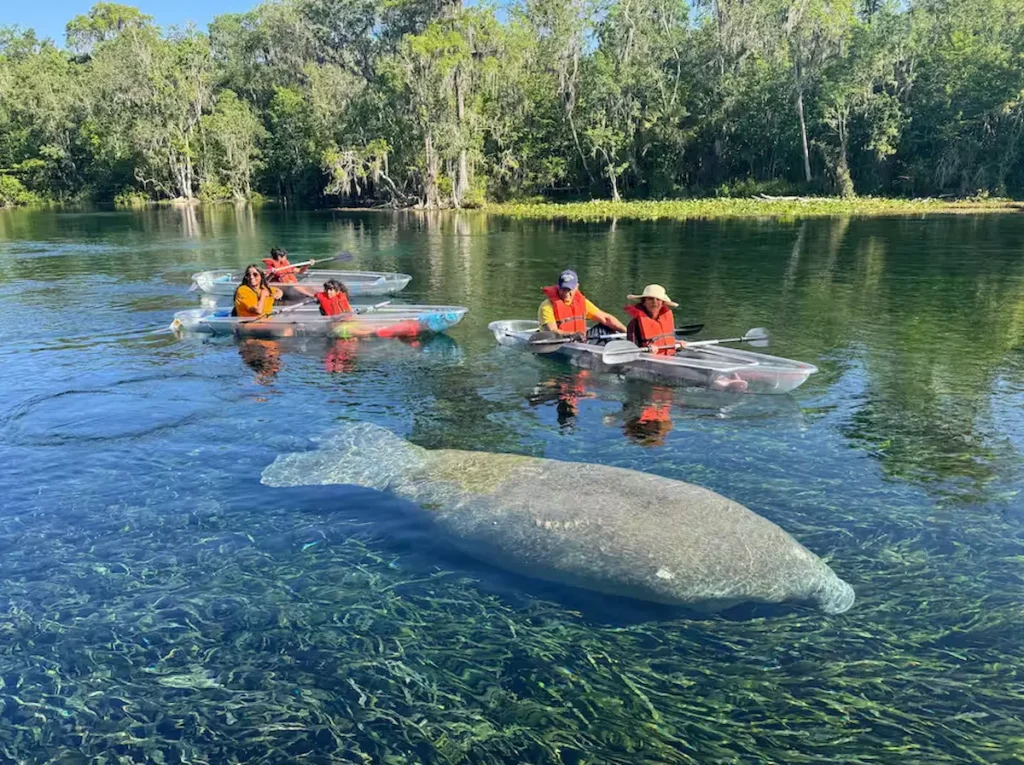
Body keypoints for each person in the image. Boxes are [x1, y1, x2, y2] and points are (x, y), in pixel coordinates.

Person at [538, 269, 626, 340]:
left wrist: (627, 332)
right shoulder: (547, 307)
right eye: (563, 289)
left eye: (569, 290)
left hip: (580, 339)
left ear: (577, 287)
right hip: (560, 341)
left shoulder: (582, 303)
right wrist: (572, 334)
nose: (566, 293)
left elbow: (606, 319)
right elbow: (553, 331)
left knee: (606, 327)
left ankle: (624, 348)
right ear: (558, 287)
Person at [624, 284, 682, 356]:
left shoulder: (666, 319)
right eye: (650, 299)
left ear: (662, 303)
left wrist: (678, 345)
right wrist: (646, 350)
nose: (654, 302)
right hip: (648, 362)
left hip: (669, 358)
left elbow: (667, 339)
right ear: (644, 302)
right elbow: (632, 350)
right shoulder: (634, 324)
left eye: (658, 299)